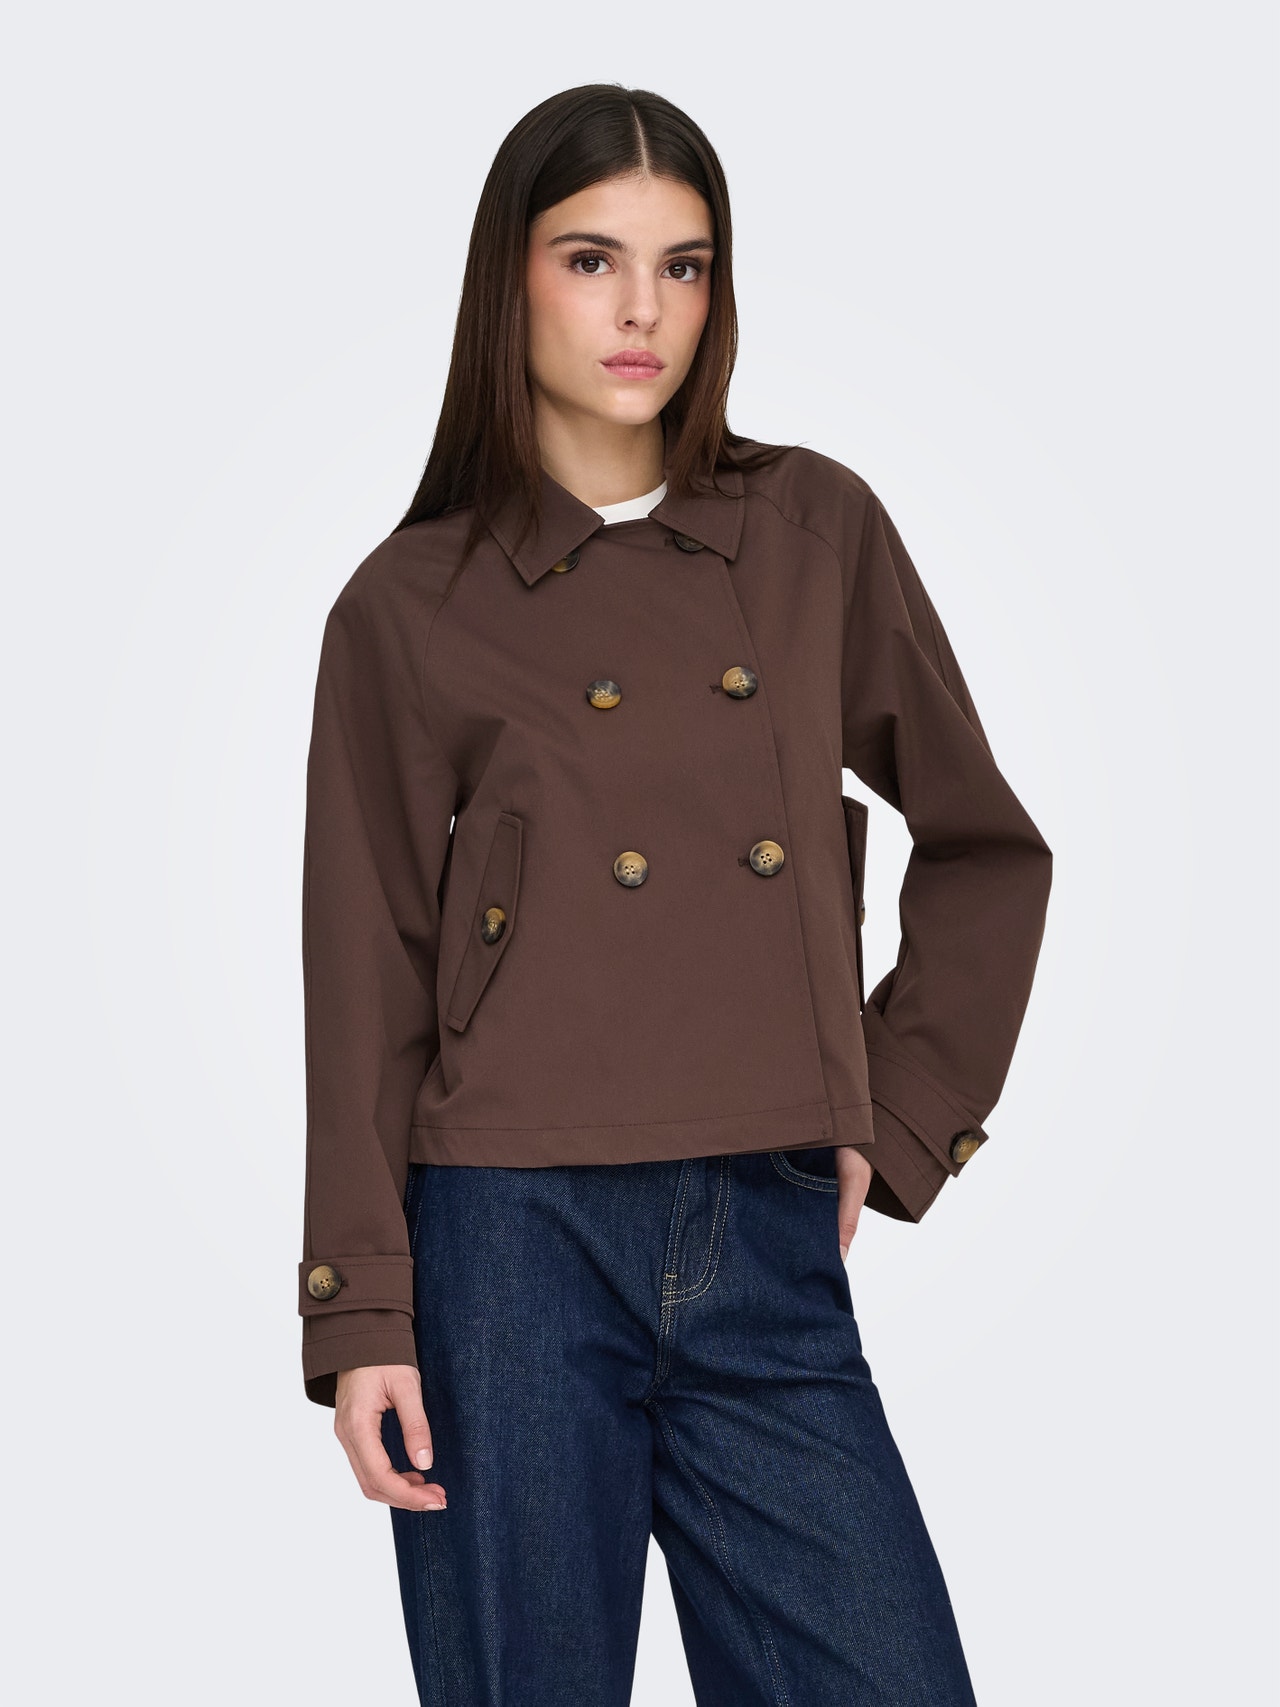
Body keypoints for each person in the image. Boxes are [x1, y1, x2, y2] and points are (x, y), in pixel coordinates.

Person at [296, 82, 1052, 1706]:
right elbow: (367, 976)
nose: (643, 309)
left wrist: (896, 1109)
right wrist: (365, 1314)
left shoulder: (811, 529)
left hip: (762, 1227)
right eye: (593, 259)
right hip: (508, 1242)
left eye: (684, 265)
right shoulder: (409, 604)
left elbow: (987, 847)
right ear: (510, 279)